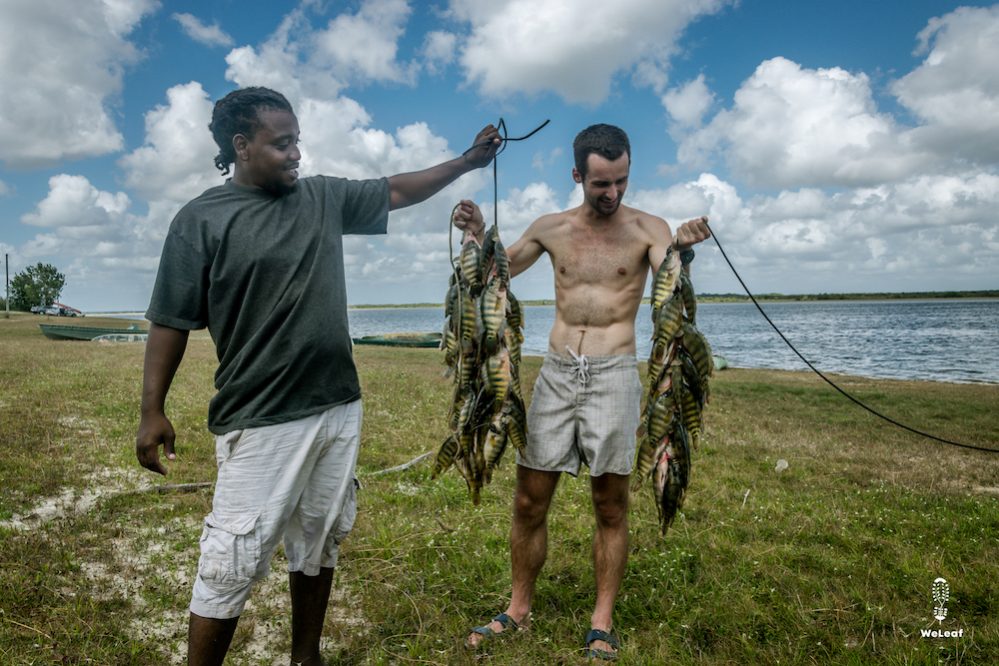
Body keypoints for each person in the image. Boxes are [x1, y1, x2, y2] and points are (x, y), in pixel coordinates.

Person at [135, 86, 499, 666]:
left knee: (319, 539)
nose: (296, 153)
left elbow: (398, 188)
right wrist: (152, 410)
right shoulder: (200, 220)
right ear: (241, 146)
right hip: (261, 417)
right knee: (232, 559)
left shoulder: (322, 198)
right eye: (282, 144)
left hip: (337, 406)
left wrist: (466, 161)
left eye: (298, 140)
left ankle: (306, 657)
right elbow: (170, 322)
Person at [453, 124, 711, 660]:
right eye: (599, 183)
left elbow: (671, 278)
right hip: (556, 370)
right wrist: (477, 231)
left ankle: (601, 621)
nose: (611, 193)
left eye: (619, 181)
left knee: (610, 505)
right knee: (529, 499)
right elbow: (500, 270)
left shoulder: (648, 228)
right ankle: (517, 608)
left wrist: (683, 249)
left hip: (615, 373)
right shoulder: (552, 227)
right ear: (577, 175)